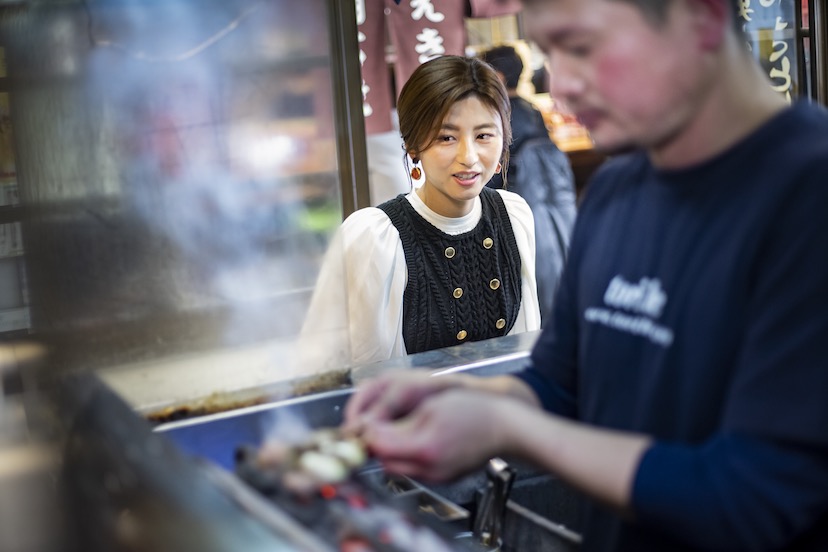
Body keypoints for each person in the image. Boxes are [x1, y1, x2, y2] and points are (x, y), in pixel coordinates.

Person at [343, 1, 828, 551]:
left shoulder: (806, 197)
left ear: (702, 16)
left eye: (581, 47)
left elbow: (755, 497)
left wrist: (510, 428)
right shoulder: (617, 192)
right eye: (551, 53)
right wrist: (443, 395)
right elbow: (558, 383)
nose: (563, 86)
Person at [300, 55, 541, 372]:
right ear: (413, 146)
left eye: (483, 135)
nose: (468, 157)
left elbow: (525, 346)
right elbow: (337, 369)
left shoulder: (513, 215)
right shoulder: (376, 238)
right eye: (446, 137)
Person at [480, 44, 577, 324]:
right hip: (553, 214)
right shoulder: (531, 109)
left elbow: (493, 180)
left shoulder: (500, 114)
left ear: (497, 75)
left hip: (521, 211)